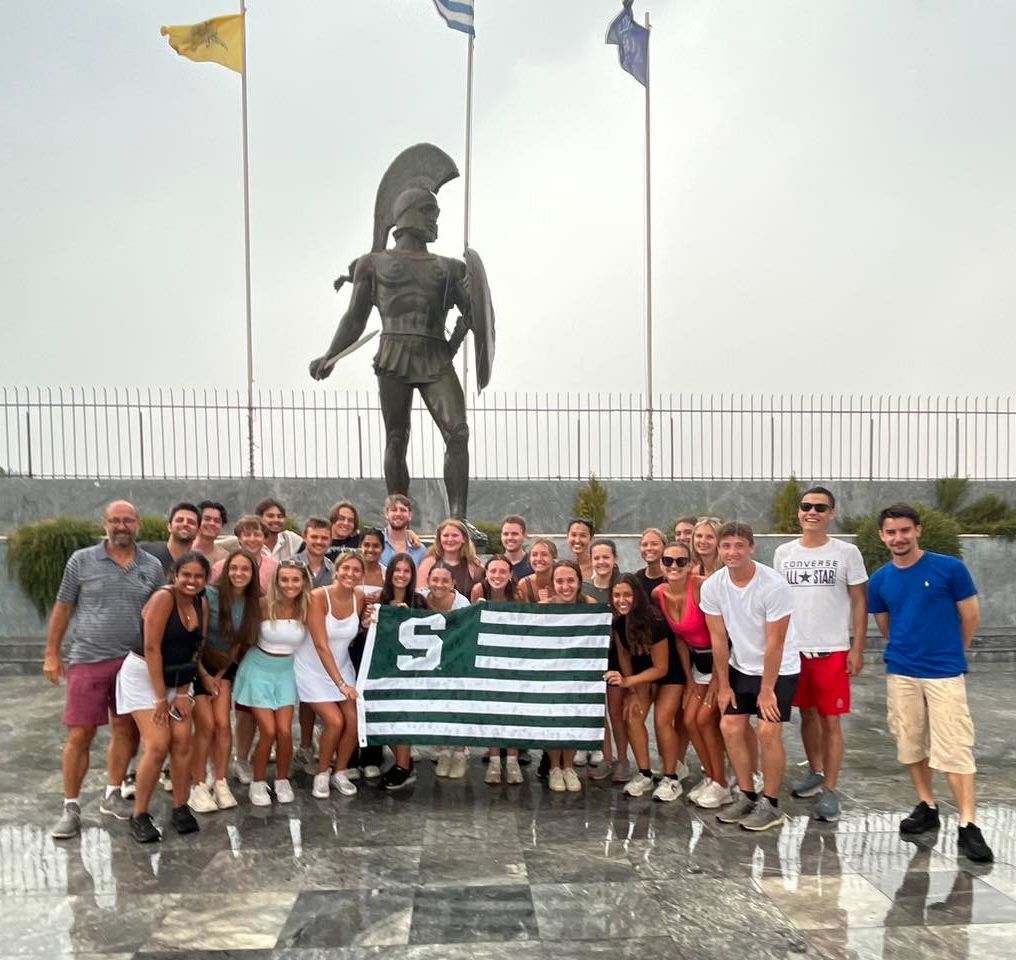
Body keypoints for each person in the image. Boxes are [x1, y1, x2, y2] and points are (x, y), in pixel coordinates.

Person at [868, 503, 993, 863]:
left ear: (918, 530)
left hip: (944, 673)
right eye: (891, 532)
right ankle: (927, 804)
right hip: (902, 672)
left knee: (955, 747)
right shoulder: (880, 579)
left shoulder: (949, 569)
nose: (898, 538)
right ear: (882, 536)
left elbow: (970, 616)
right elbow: (885, 624)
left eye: (905, 530)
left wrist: (954, 651)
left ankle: (968, 824)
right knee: (910, 742)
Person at [47, 500, 165, 840]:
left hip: (133, 663)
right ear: (105, 523)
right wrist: (52, 653)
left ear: (138, 524)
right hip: (89, 658)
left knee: (126, 729)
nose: (122, 526)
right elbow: (63, 606)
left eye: (128, 520)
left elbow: (158, 614)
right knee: (80, 734)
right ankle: (71, 806)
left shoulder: (152, 566)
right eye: (115, 520)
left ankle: (113, 793)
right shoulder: (81, 560)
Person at [773, 486, 868, 823]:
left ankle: (830, 788)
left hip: (832, 650)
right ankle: (815, 771)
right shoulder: (784, 553)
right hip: (795, 650)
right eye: (806, 506)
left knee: (832, 720)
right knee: (807, 715)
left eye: (820, 507)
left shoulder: (846, 552)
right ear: (798, 512)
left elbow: (859, 601)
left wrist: (857, 647)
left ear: (832, 513)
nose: (811, 512)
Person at [700, 522, 797, 832]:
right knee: (730, 725)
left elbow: (776, 642)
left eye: (739, 546)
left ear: (751, 548)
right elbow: (717, 639)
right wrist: (724, 685)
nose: (732, 552)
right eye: (726, 546)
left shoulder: (773, 585)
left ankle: (771, 803)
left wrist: (767, 690)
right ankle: (746, 793)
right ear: (719, 548)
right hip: (741, 666)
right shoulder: (713, 586)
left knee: (768, 732)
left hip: (779, 667)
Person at [115, 552, 209, 842]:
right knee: (157, 744)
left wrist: (181, 693)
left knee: (183, 740)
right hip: (145, 675)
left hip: (178, 677)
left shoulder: (202, 603)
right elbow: (152, 648)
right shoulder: (163, 599)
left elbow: (196, 648)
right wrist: (160, 699)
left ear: (206, 579)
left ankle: (180, 806)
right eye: (186, 575)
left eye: (198, 576)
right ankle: (139, 814)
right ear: (175, 576)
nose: (191, 581)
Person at [654, 541, 730, 809]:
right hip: (698, 664)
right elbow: (680, 641)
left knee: (704, 719)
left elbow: (723, 637)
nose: (674, 566)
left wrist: (719, 682)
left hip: (723, 661)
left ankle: (723, 783)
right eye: (668, 561)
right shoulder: (658, 594)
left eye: (681, 561)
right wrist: (689, 681)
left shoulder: (701, 587)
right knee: (689, 720)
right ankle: (711, 777)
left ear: (690, 563)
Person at [232, 560, 312, 805]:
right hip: (258, 670)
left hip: (286, 672)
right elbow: (242, 639)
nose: (290, 585)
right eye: (284, 579)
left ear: (304, 582)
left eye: (295, 579)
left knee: (285, 732)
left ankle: (281, 779)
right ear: (276, 581)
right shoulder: (263, 605)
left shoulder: (308, 607)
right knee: (268, 730)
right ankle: (257, 782)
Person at [188, 547, 260, 814]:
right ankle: (198, 785)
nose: (239, 573)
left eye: (245, 569)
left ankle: (220, 780)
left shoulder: (253, 604)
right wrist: (205, 677)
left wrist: (218, 676)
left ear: (253, 574)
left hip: (222, 667)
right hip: (196, 664)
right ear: (226, 571)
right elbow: (197, 639)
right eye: (234, 568)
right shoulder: (209, 596)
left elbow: (237, 645)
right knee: (205, 725)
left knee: (223, 724)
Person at [606, 573, 685, 801]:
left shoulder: (655, 620)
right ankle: (644, 773)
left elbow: (661, 668)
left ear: (637, 596)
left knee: (662, 721)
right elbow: (624, 657)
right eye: (617, 595)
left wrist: (629, 681)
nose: (622, 600)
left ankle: (671, 777)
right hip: (641, 676)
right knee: (632, 716)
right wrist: (631, 690)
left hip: (669, 675)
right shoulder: (618, 621)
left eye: (627, 595)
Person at [296, 551, 367, 799]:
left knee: (355, 720)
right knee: (335, 722)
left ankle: (341, 771)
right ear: (336, 571)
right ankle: (323, 772)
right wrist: (341, 684)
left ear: (362, 575)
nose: (350, 574)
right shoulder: (318, 596)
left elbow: (365, 623)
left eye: (356, 570)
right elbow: (320, 645)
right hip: (312, 669)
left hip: (342, 667)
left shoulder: (360, 597)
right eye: (346, 569)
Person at [469, 555, 526, 786]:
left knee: (511, 707)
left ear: (510, 574)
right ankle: (494, 758)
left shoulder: (518, 594)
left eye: (503, 572)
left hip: (511, 657)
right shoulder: (478, 590)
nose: (497, 576)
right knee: (491, 706)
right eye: (493, 571)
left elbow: (524, 625)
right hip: (486, 656)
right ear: (486, 572)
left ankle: (512, 759)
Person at [377, 554, 430, 791]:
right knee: (382, 719)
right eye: (397, 570)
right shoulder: (377, 599)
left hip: (409, 672)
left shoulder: (418, 601)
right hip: (381, 670)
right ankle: (405, 763)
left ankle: (402, 766)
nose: (401, 575)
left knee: (402, 719)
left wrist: (408, 618)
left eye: (406, 571)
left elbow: (430, 633)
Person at [543, 559, 597, 792]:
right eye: (560, 581)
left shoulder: (591, 605)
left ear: (579, 582)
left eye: (570, 581)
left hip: (579, 674)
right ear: (553, 584)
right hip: (552, 674)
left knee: (574, 718)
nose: (565, 586)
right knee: (554, 720)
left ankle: (569, 767)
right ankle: (555, 767)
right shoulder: (543, 608)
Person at [421, 561, 472, 778]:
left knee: (458, 701)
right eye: (435, 579)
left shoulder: (462, 603)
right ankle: (442, 749)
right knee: (438, 702)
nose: (439, 584)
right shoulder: (421, 600)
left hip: (457, 658)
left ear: (453, 583)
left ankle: (460, 751)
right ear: (428, 581)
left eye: (445, 580)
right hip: (430, 660)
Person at [585, 539, 629, 783]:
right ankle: (607, 757)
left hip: (616, 657)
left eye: (606, 557)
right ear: (591, 561)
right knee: (598, 712)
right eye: (597, 558)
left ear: (614, 559)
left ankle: (623, 760)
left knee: (615, 712)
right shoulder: (584, 589)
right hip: (591, 657)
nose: (601, 562)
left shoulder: (623, 586)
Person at [418, 518, 484, 599]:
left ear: (464, 539)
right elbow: (420, 594)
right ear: (439, 539)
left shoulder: (474, 565)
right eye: (445, 535)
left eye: (455, 535)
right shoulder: (429, 563)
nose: (450, 539)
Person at [213, 515, 278, 594]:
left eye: (257, 535)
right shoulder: (220, 567)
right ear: (239, 538)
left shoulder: (274, 567)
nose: (252, 539)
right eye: (247, 535)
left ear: (264, 538)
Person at [139, 502, 201, 579]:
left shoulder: (198, 564)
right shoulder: (144, 552)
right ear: (169, 527)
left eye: (191, 522)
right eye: (179, 520)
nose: (185, 524)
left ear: (198, 531)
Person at [378, 493, 427, 567]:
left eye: (403, 510)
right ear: (386, 514)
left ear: (410, 515)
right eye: (394, 510)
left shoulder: (420, 550)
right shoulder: (375, 543)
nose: (398, 514)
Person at [298, 517, 336, 588]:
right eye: (314, 537)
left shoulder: (334, 571)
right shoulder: (291, 565)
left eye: (324, 538)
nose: (319, 542)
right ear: (304, 537)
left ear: (331, 541)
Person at [518, 537, 558, 603]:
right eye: (534, 555)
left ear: (553, 558)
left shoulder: (562, 582)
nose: (539, 559)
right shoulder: (524, 585)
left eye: (544, 554)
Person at [634, 527, 668, 598]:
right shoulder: (636, 580)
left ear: (665, 547)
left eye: (654, 544)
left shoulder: (673, 577)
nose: (649, 548)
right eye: (644, 545)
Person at [193, 500, 229, 564]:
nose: (212, 523)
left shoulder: (225, 558)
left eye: (217, 521)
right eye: (207, 519)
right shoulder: (183, 551)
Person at [501, 515, 533, 579]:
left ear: (524, 535)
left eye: (514, 534)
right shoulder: (494, 566)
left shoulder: (533, 565)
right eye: (506, 534)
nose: (509, 538)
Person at [360, 528, 387, 598]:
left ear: (383, 549)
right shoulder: (350, 571)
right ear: (360, 546)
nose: (370, 549)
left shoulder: (387, 575)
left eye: (376, 546)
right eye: (366, 545)